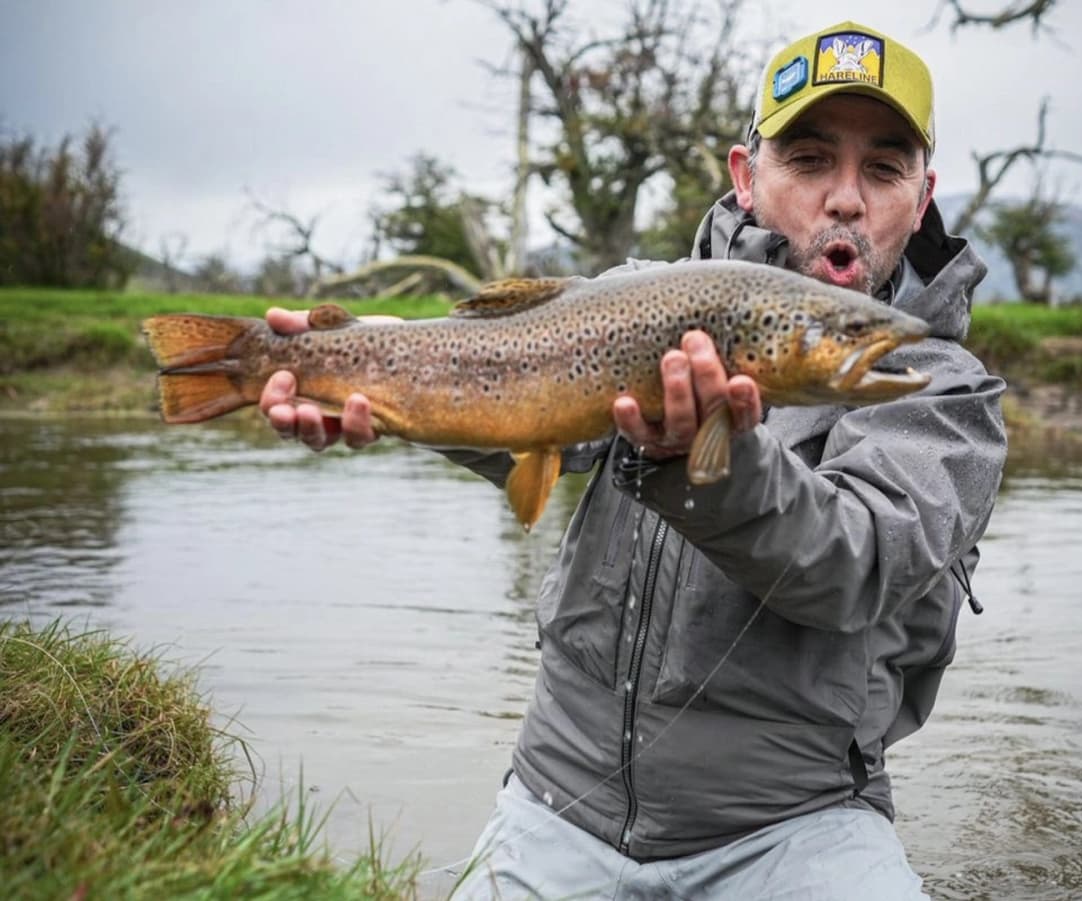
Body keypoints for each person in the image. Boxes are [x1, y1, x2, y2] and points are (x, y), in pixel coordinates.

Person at [262, 20, 1007, 900]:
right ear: (746, 176)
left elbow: (853, 563)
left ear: (922, 198)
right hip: (556, 801)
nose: (845, 197)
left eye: (882, 169)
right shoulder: (638, 301)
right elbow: (528, 413)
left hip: (798, 827)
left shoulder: (940, 392)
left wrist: (708, 462)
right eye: (809, 160)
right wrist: (386, 370)